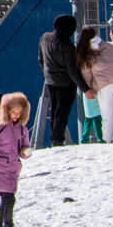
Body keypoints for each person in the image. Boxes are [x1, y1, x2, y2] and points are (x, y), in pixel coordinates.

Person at [0, 92, 32, 227]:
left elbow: (23, 148)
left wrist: (25, 152)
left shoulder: (22, 129)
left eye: (19, 112)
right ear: (7, 111)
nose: (17, 115)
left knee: (7, 200)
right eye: (14, 112)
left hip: (12, 169)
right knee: (9, 199)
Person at [77, 25, 113, 144]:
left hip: (103, 85)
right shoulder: (112, 45)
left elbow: (87, 74)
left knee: (107, 114)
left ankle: (107, 140)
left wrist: (90, 88)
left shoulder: (87, 53)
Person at [36, 15, 82, 147]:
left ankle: (55, 138)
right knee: (62, 113)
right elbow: (73, 71)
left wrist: (47, 73)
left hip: (50, 81)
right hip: (66, 84)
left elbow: (41, 60)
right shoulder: (67, 46)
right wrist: (86, 88)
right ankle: (57, 140)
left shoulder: (44, 38)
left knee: (55, 110)